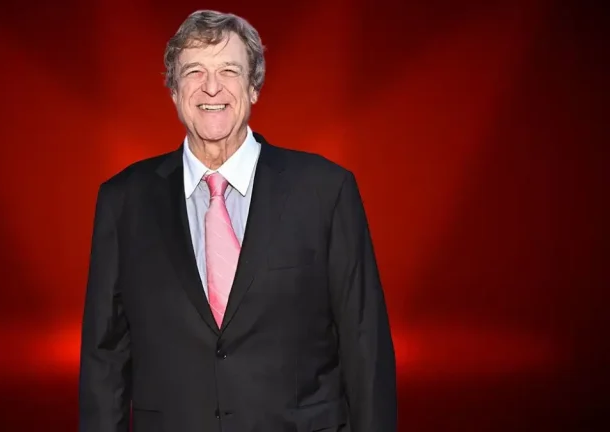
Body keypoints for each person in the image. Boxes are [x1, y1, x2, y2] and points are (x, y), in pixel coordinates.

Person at [79, 9, 397, 432]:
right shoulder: (123, 200)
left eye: (229, 70)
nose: (212, 87)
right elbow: (105, 357)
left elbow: (364, 343)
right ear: (174, 90)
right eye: (194, 71)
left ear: (253, 87)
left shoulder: (325, 191)